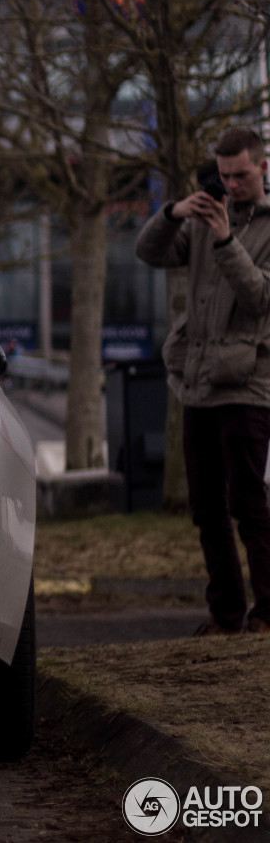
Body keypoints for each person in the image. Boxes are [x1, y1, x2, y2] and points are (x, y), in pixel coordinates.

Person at [136, 126, 270, 635]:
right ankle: (226, 613)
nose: (231, 184)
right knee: (206, 508)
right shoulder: (199, 220)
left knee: (249, 504)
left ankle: (268, 613)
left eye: (240, 174)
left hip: (248, 384)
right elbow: (148, 252)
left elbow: (259, 297)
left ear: (262, 167)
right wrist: (173, 213)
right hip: (197, 383)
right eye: (223, 175)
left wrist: (226, 239)